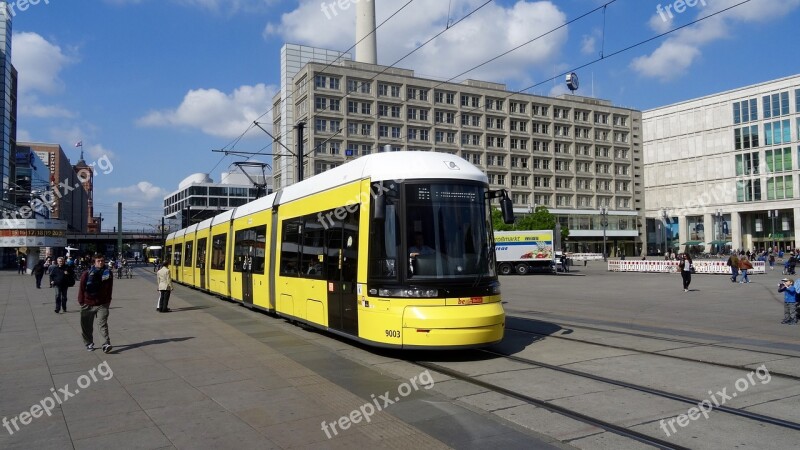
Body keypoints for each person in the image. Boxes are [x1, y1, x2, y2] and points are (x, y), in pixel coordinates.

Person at [78, 254, 114, 353]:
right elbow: (81, 288)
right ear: (94, 262)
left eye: (102, 261)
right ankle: (89, 343)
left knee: (102, 324)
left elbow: (110, 288)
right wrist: (81, 301)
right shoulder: (87, 273)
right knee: (86, 325)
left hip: (102, 303)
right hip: (87, 303)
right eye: (98, 261)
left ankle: (105, 344)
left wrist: (108, 300)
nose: (101, 262)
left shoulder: (108, 273)